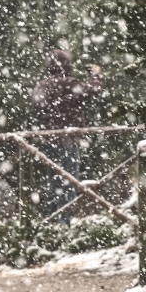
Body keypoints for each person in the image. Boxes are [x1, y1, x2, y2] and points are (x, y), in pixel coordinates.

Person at [30, 50, 102, 222]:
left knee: (54, 183)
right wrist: (96, 75)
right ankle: (64, 223)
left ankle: (50, 221)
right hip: (67, 139)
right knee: (69, 182)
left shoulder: (41, 86)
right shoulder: (69, 83)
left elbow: (36, 109)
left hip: (47, 140)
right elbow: (93, 91)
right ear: (67, 65)